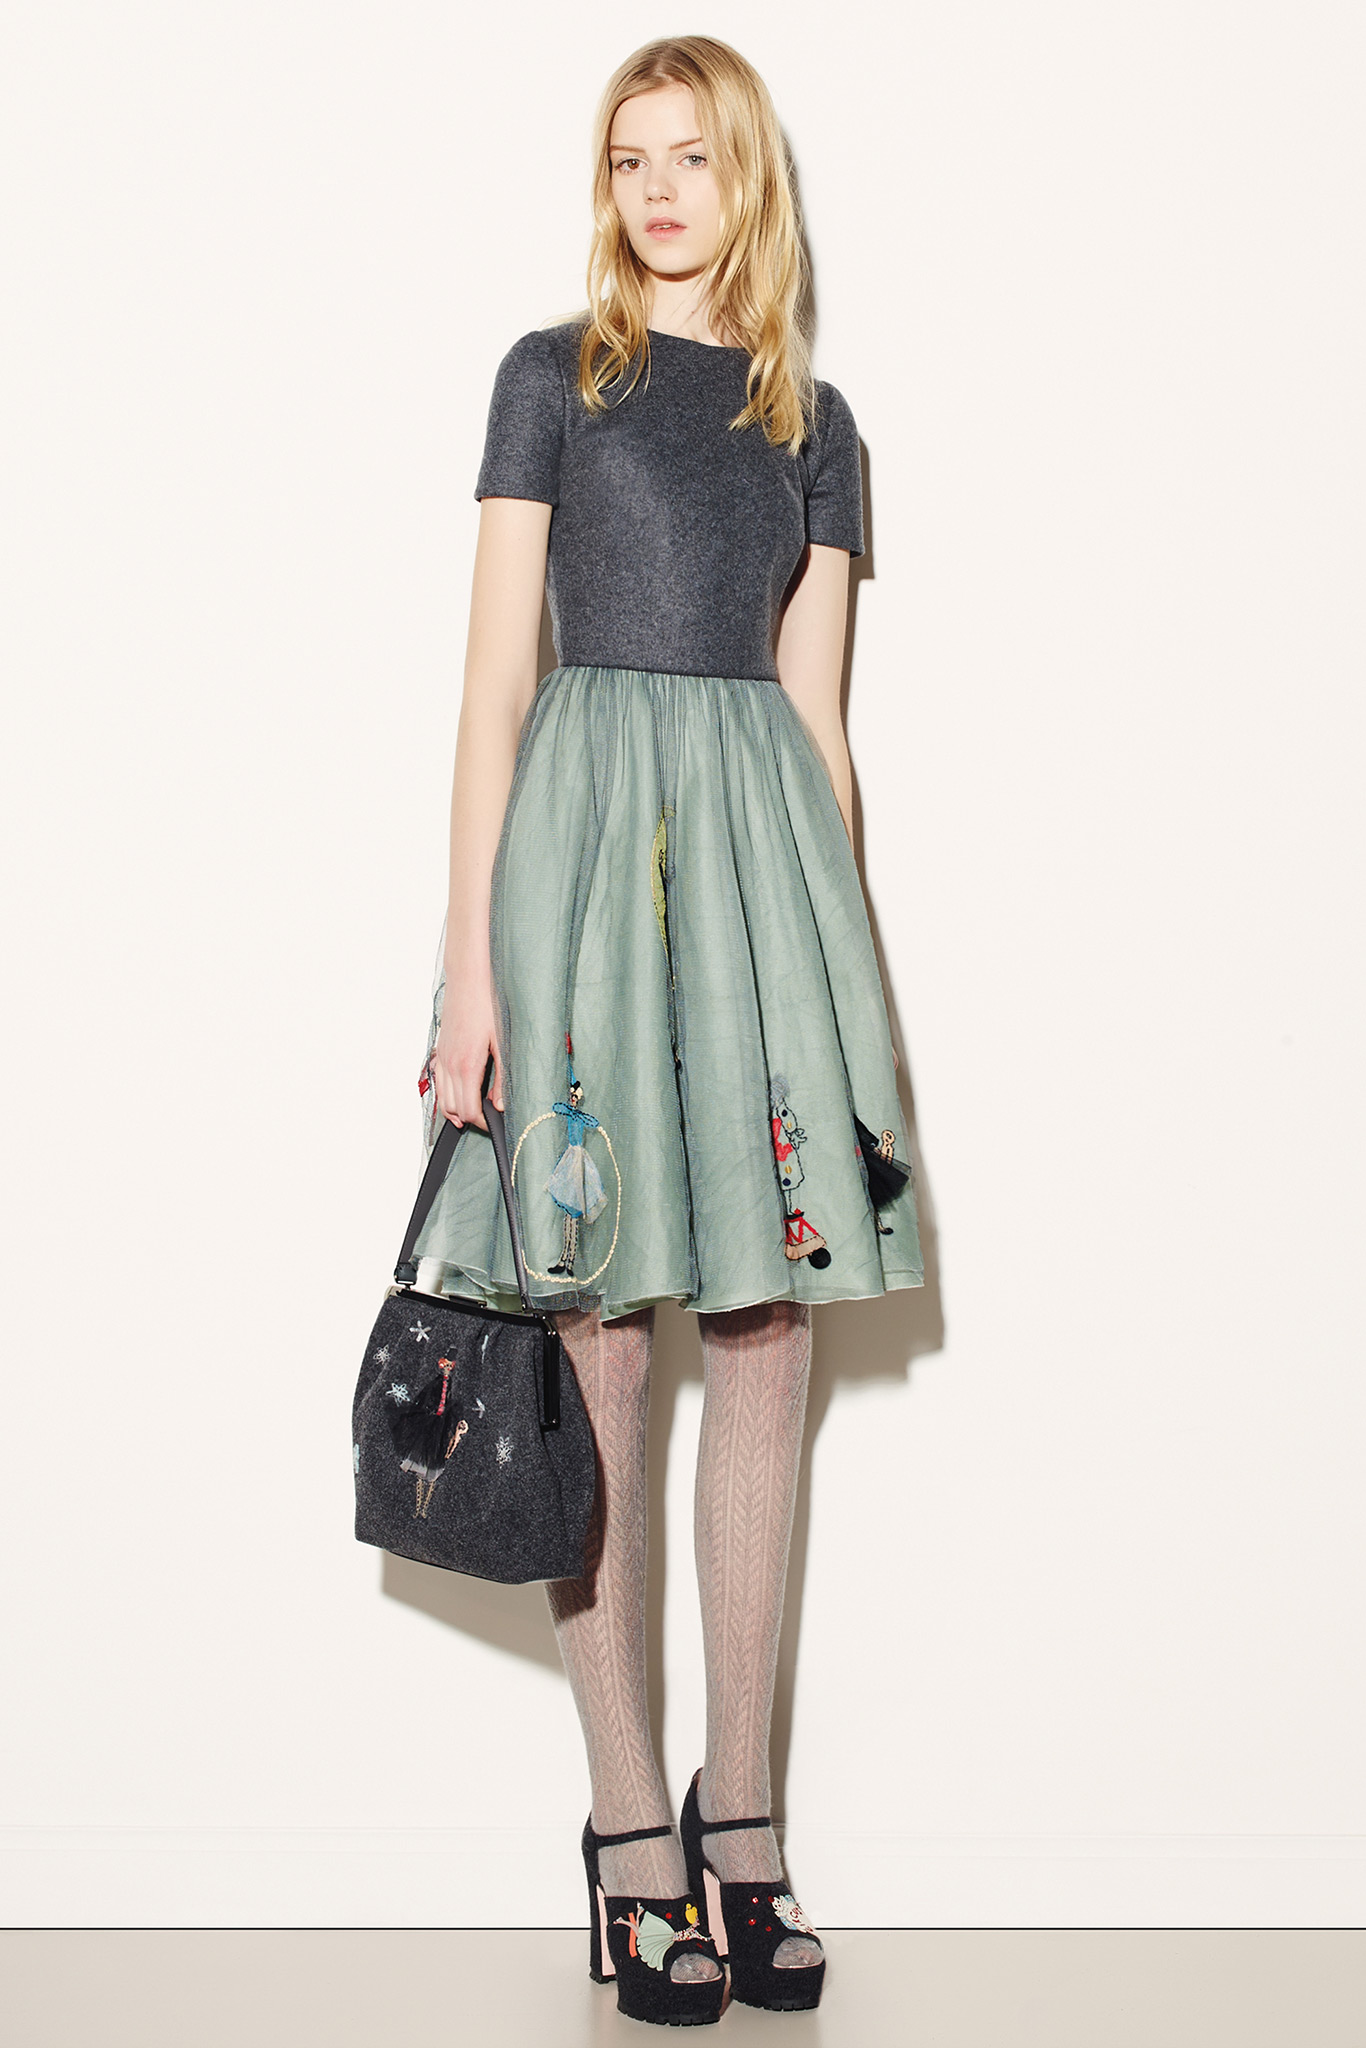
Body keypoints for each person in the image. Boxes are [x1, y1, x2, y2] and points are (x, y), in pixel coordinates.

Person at [413, 34, 923, 2026]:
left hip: (756, 894)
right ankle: (630, 1829)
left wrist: (844, 987)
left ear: (747, 178)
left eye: (690, 156)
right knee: (600, 1347)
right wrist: (467, 970)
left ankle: (745, 1823)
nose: (655, 188)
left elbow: (819, 727)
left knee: (767, 1344)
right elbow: (490, 691)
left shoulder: (817, 424)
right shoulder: (551, 378)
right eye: (628, 157)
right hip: (577, 890)